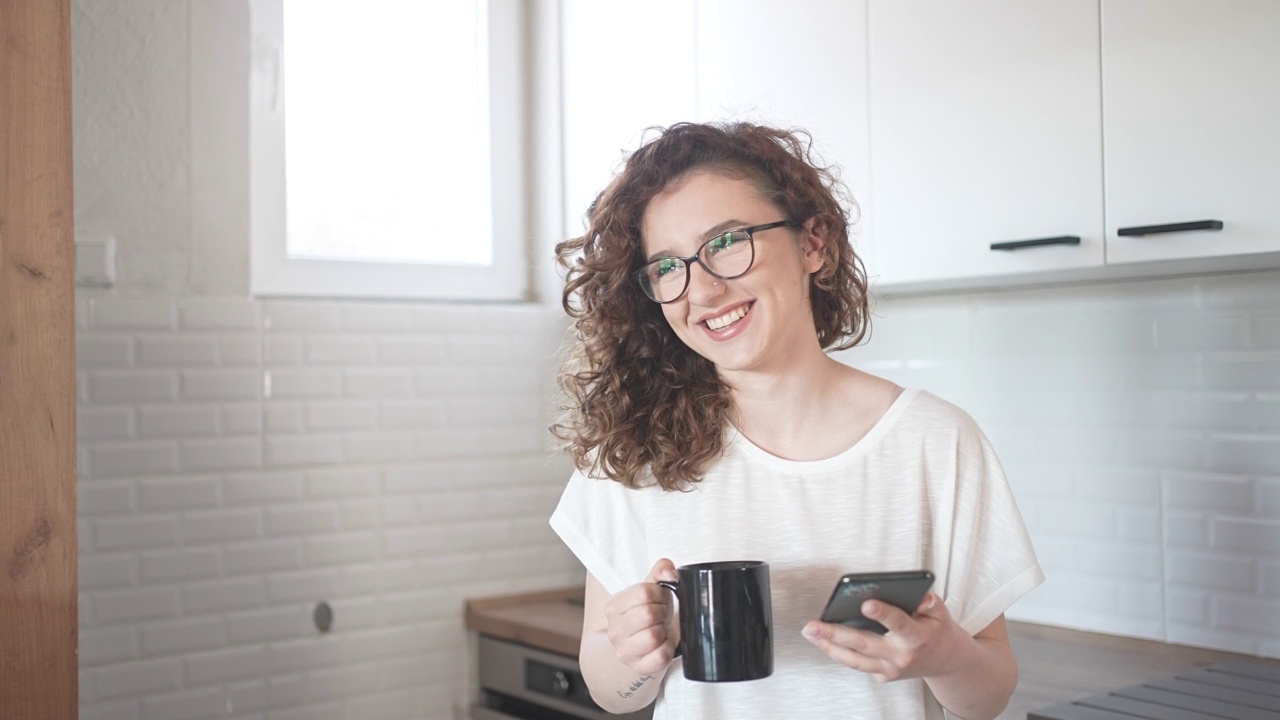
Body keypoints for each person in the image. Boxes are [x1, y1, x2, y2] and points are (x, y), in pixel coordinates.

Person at [548, 122, 1043, 720]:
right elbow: (608, 688)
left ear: (814, 243)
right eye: (668, 266)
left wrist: (945, 658)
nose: (700, 290)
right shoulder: (638, 452)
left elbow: (989, 695)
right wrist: (635, 653)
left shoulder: (933, 442)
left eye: (727, 241)